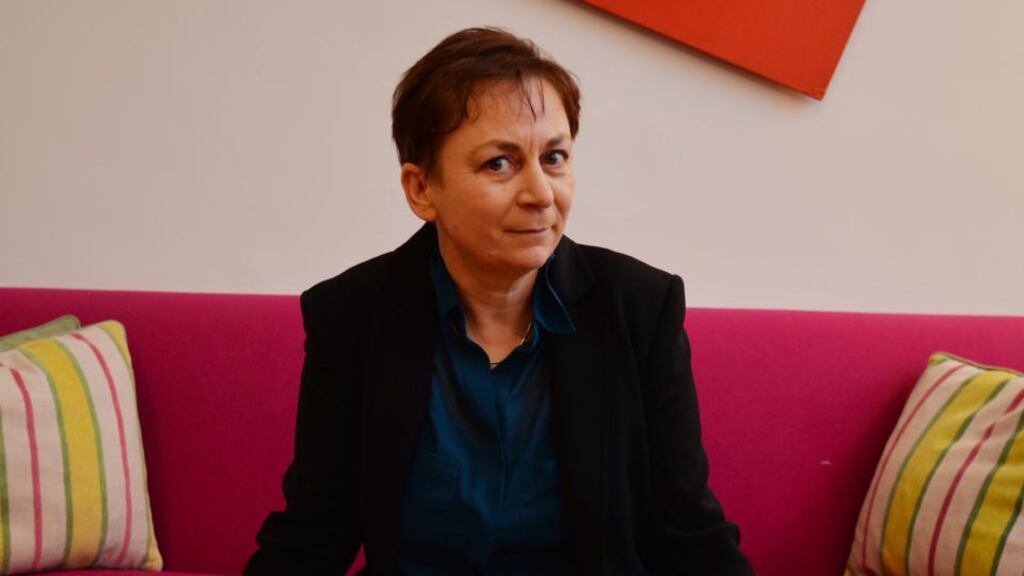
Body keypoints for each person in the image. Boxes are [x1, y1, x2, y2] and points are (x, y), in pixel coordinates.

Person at [245, 27, 752, 575]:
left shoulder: (640, 308)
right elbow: (314, 532)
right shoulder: (352, 317)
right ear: (422, 189)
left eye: (554, 157)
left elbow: (689, 534)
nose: (540, 193)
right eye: (499, 164)